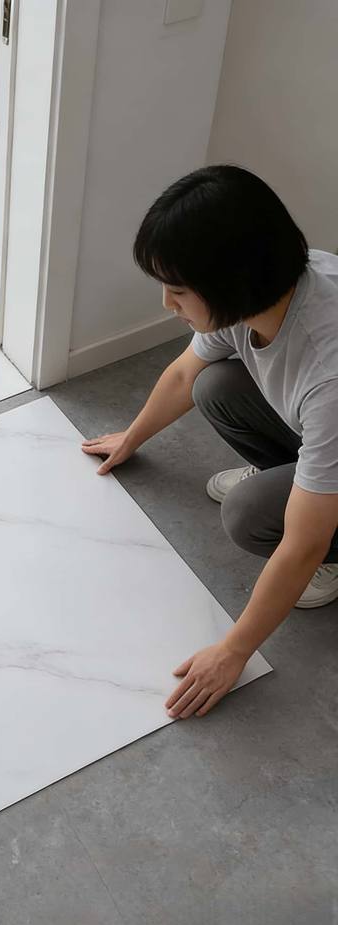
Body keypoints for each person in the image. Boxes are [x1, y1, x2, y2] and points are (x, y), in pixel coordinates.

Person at [82, 164, 338, 721]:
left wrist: (233, 651)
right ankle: (295, 480)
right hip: (324, 433)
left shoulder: (330, 373)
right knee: (214, 385)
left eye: (178, 291)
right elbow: (183, 375)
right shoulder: (269, 290)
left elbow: (302, 543)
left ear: (230, 281)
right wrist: (132, 436)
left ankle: (330, 551)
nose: (167, 304)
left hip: (330, 441)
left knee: (249, 514)